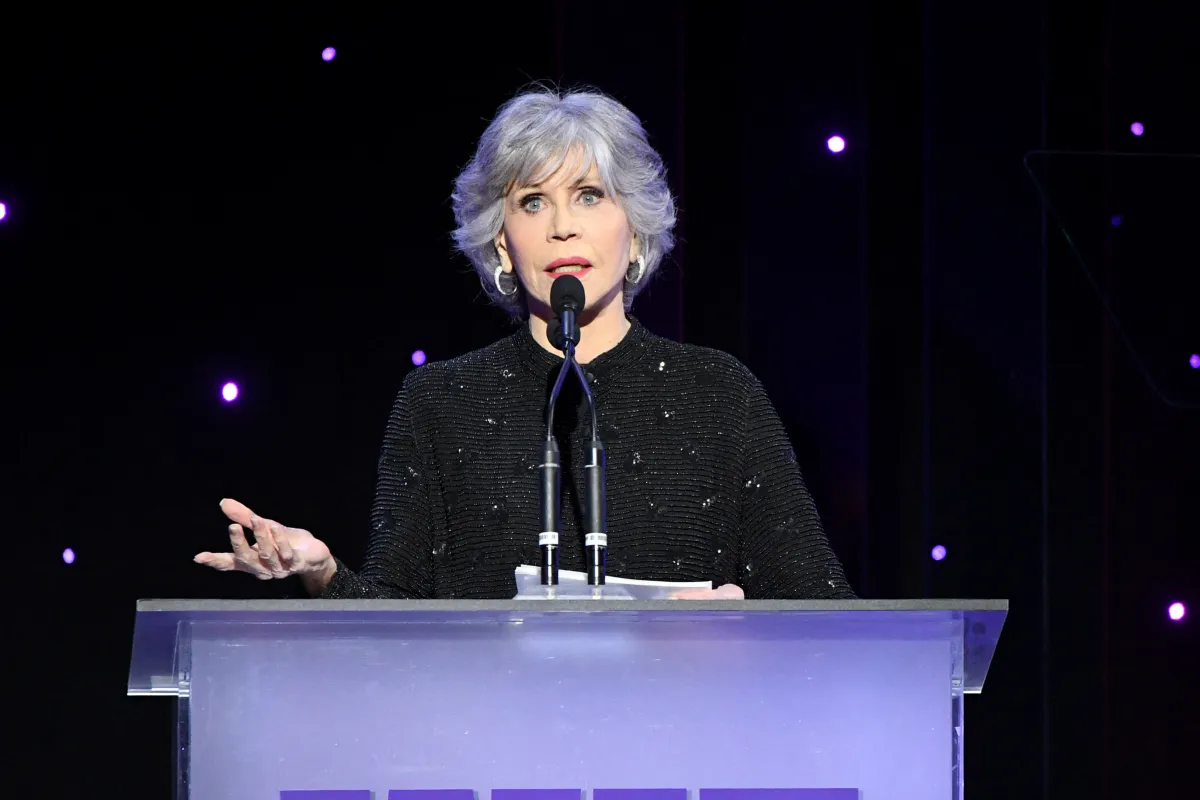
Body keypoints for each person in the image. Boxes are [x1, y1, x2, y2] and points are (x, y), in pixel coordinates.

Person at [195, 86, 856, 601]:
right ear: (501, 242)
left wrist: (742, 626)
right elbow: (395, 623)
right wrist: (321, 571)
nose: (563, 226)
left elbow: (823, 607)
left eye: (590, 195)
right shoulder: (441, 401)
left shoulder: (719, 394)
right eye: (533, 202)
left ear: (637, 228)